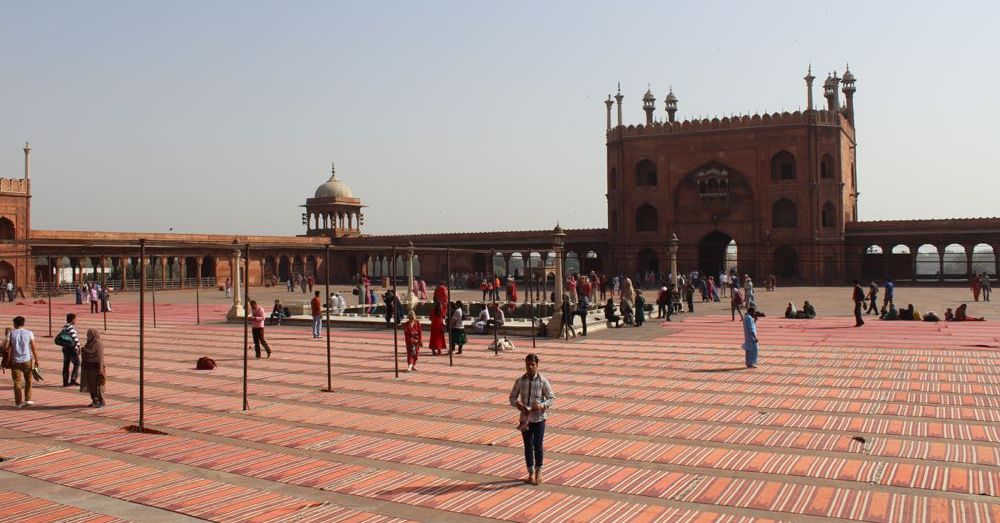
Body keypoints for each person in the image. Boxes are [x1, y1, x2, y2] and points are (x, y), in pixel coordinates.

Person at [508, 353, 555, 486]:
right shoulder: (520, 381)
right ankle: (530, 473)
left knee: (538, 446)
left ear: (537, 365)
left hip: (539, 419)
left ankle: (539, 470)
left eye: (532, 365)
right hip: (525, 420)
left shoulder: (543, 381)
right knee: (528, 446)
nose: (530, 367)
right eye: (528, 364)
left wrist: (542, 405)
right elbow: (512, 397)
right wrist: (518, 404)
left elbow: (552, 398)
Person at [8, 316, 39, 408]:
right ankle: (28, 399)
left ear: (15, 324)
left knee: (17, 382)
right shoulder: (29, 333)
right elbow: (33, 347)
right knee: (28, 380)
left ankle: (18, 403)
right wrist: (37, 359)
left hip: (15, 361)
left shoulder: (11, 333)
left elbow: (6, 346)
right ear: (23, 323)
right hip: (27, 360)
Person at [79, 328, 106, 408]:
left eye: (89, 334)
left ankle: (102, 401)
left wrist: (100, 369)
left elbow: (100, 357)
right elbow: (87, 351)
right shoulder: (89, 343)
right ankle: (95, 400)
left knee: (99, 386)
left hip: (97, 368)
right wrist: (83, 350)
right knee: (91, 385)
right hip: (89, 368)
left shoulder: (98, 344)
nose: (87, 336)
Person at [59, 313, 81, 387]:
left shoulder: (64, 327)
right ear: (72, 320)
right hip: (72, 349)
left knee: (66, 364)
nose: (75, 320)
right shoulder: (71, 328)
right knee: (77, 363)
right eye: (75, 319)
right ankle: (73, 380)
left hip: (65, 348)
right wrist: (78, 347)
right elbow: (75, 339)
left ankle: (65, 382)